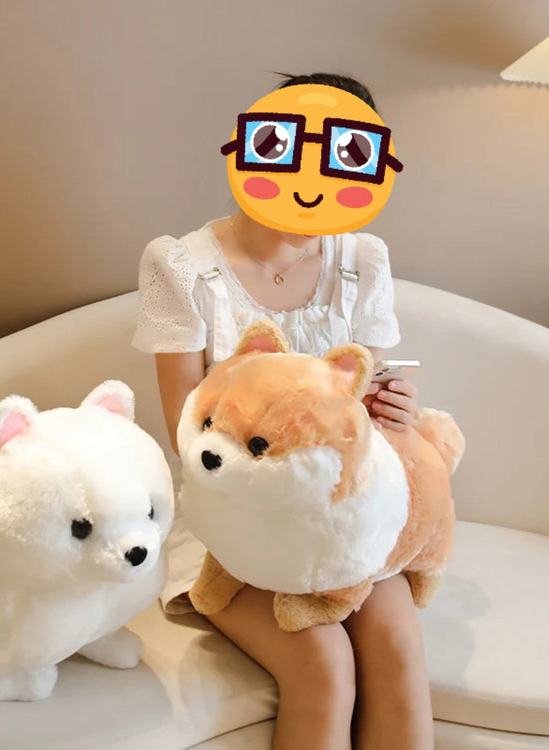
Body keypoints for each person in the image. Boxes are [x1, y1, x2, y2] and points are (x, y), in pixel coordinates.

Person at [132, 73, 431, 750]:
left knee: (396, 644)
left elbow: (361, 408)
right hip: (230, 522)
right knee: (322, 664)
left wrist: (393, 407)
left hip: (341, 518)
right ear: (260, 151)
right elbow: (188, 433)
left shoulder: (362, 260)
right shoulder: (182, 267)